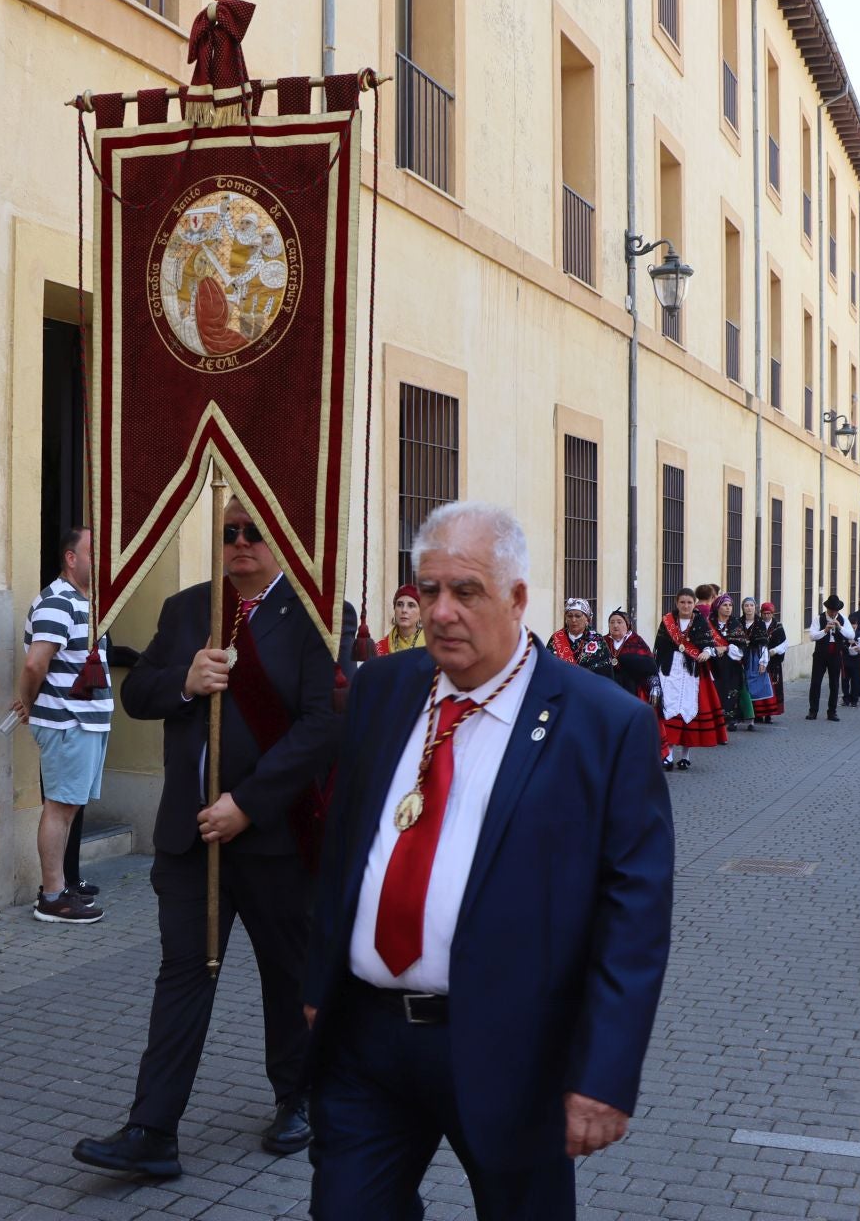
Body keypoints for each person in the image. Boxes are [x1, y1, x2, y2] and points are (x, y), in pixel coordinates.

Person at [302, 501, 674, 1220]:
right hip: (367, 1042)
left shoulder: (602, 725)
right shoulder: (385, 691)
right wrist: (320, 978)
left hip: (514, 1050)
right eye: (428, 588)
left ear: (517, 598)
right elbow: (345, 844)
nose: (440, 611)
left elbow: (635, 917)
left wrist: (604, 1072)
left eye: (465, 591)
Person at [72, 501, 354, 1179]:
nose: (238, 544)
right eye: (228, 532)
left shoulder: (320, 615)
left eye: (253, 531)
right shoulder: (188, 607)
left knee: (287, 978)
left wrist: (247, 806)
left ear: (284, 538)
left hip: (276, 839)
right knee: (182, 979)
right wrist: (186, 682)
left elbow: (322, 727)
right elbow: (138, 693)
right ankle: (153, 1130)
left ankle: (298, 1099)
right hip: (189, 838)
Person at [14, 527, 112, 925]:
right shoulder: (58, 601)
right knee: (59, 808)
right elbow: (36, 663)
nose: (101, 561)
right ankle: (52, 898)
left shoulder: (81, 601)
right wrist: (28, 700)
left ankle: (61, 886)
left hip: (81, 723)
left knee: (68, 808)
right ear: (71, 558)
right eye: (93, 552)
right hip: (68, 723)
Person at [655, 588, 730, 769]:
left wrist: (705, 652)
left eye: (689, 602)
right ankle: (668, 755)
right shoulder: (667, 621)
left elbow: (709, 644)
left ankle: (686, 755)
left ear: (694, 604)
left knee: (688, 710)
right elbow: (659, 646)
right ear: (676, 603)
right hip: (670, 670)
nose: (686, 606)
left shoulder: (700, 622)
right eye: (682, 602)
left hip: (692, 672)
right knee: (670, 709)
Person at [806, 596, 853, 721]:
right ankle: (813, 711)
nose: (833, 613)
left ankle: (832, 712)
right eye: (831, 610)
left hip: (835, 655)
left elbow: (851, 635)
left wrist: (840, 627)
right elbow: (812, 636)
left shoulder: (842, 619)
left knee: (834, 684)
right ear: (827, 609)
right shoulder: (818, 618)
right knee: (816, 683)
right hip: (820, 654)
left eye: (835, 611)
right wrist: (825, 630)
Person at [739, 598, 782, 725]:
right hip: (741, 656)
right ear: (743, 607)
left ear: (755, 607)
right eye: (746, 605)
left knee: (757, 685)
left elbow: (764, 645)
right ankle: (745, 715)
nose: (749, 608)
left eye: (751, 605)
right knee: (743, 685)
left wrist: (763, 662)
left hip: (755, 657)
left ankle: (756, 715)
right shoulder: (738, 622)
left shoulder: (760, 623)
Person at [547, 598, 614, 678]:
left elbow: (605, 673)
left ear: (587, 619)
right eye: (569, 616)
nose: (573, 620)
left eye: (578, 616)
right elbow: (547, 667)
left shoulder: (597, 640)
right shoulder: (556, 639)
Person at [604, 610, 658, 703]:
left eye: (619, 622)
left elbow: (650, 666)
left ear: (627, 624)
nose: (615, 625)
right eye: (612, 622)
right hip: (608, 687)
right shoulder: (603, 641)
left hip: (631, 687)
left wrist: (625, 659)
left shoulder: (636, 640)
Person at [709, 594, 747, 726]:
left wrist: (725, 648)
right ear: (718, 607)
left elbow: (742, 648)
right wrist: (714, 649)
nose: (728, 608)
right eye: (725, 605)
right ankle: (715, 721)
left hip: (731, 666)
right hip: (713, 665)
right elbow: (702, 641)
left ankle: (731, 720)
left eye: (730, 605)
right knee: (716, 691)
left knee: (731, 691)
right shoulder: (709, 623)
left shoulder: (736, 624)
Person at [376, 584, 425, 655]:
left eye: (411, 605)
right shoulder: (379, 649)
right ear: (394, 609)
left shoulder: (432, 647)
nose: (404, 610)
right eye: (399, 604)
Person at [762, 603, 790, 716]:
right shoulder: (758, 625)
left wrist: (775, 650)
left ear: (772, 614)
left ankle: (770, 713)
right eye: (764, 613)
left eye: (769, 613)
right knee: (762, 687)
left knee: (773, 687)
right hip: (761, 661)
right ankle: (760, 712)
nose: (767, 616)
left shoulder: (778, 626)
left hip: (774, 662)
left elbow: (785, 643)